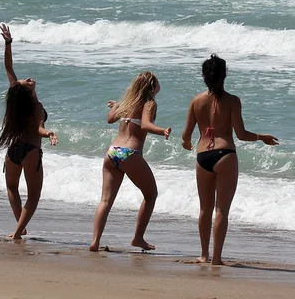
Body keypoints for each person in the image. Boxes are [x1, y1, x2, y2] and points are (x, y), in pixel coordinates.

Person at [181, 54, 279, 265]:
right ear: (224, 75)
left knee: (204, 209)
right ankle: (217, 258)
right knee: (221, 210)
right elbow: (241, 134)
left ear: (204, 76)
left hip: (202, 157)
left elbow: (186, 134)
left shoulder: (196, 101)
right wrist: (262, 138)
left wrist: (186, 143)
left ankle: (203, 255)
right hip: (225, 155)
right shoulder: (233, 101)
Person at [90, 71, 171, 252]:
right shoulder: (150, 103)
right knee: (151, 195)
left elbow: (110, 119)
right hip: (129, 153)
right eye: (157, 82)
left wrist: (118, 106)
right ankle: (138, 238)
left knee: (105, 200)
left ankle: (95, 241)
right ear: (152, 87)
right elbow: (145, 125)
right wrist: (162, 130)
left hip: (112, 152)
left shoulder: (128, 102)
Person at [0, 24, 58, 240]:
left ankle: (20, 225)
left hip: (14, 151)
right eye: (26, 82)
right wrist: (48, 134)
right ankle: (18, 232)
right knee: (34, 195)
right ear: (25, 90)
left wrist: (8, 43)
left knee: (12, 187)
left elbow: (9, 69)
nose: (28, 79)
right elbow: (39, 128)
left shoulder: (18, 101)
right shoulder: (35, 106)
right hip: (30, 151)